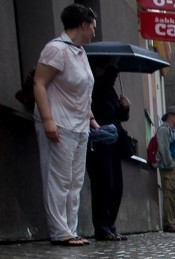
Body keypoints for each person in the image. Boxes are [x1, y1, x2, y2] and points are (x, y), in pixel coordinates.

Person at [33, 4, 98, 246]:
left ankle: (71, 229)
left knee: (75, 181)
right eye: (92, 27)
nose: (94, 31)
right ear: (83, 25)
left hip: (79, 126)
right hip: (59, 124)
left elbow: (81, 92)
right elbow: (39, 83)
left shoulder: (79, 53)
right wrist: (48, 120)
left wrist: (90, 118)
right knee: (58, 179)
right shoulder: (56, 49)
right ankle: (60, 232)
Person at [86, 62, 130, 241]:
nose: (115, 77)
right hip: (98, 142)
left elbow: (119, 116)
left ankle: (110, 224)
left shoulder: (110, 91)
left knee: (117, 186)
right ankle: (102, 227)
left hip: (113, 143)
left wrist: (125, 107)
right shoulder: (94, 87)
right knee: (104, 184)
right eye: (113, 73)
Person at [155, 105, 175, 233]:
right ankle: (170, 223)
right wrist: (169, 164)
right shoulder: (164, 129)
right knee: (170, 194)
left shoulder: (172, 130)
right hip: (170, 165)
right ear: (171, 116)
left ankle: (172, 222)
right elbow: (163, 147)